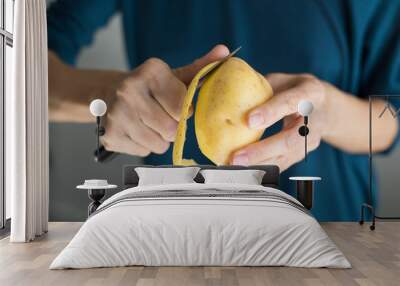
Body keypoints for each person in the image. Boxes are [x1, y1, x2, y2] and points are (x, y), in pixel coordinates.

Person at [47, 0, 400, 221]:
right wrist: (101, 97)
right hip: (177, 234)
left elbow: (391, 118)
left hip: (327, 228)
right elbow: (24, 66)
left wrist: (329, 113)